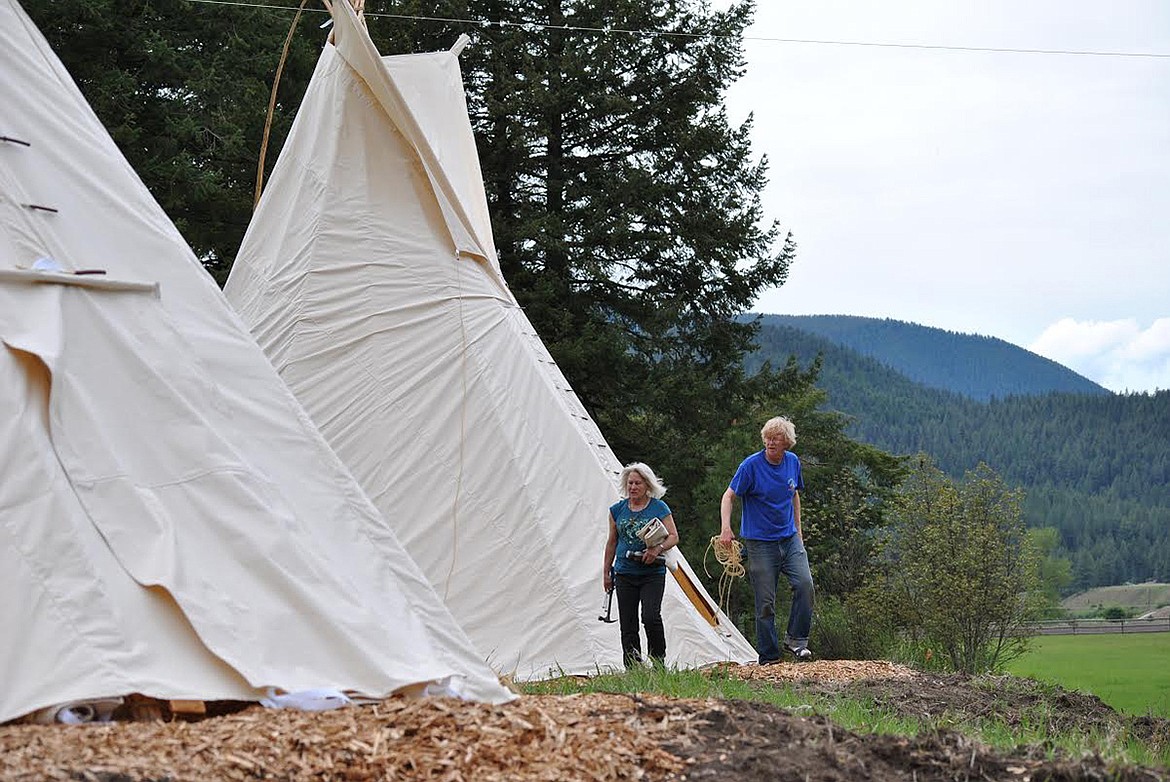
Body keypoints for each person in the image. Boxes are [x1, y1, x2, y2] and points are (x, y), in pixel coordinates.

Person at [719, 416, 815, 664]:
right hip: (760, 543)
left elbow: (794, 496)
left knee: (805, 585)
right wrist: (726, 528)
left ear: (787, 442)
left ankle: (796, 640)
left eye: (777, 438)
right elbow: (728, 496)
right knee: (765, 603)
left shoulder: (792, 462)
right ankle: (770, 657)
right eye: (768, 438)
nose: (771, 442)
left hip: (789, 538)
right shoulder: (750, 466)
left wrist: (799, 531)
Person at [602, 462, 679, 667]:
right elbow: (612, 542)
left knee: (650, 616)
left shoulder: (658, 507)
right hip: (625, 571)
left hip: (652, 573)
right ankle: (632, 665)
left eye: (637, 483)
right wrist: (606, 572)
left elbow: (673, 536)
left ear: (647, 485)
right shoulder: (617, 510)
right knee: (628, 622)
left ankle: (658, 660)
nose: (633, 487)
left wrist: (657, 549)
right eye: (630, 483)